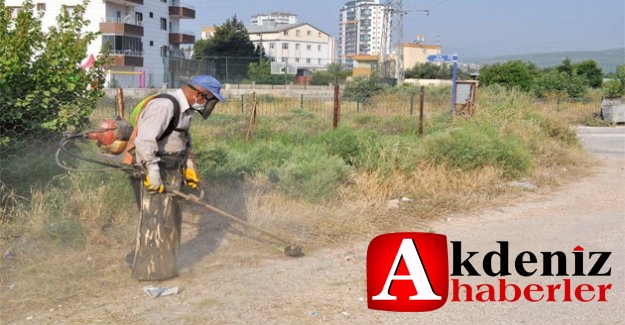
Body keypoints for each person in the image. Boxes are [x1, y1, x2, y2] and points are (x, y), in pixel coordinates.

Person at [127, 75, 225, 281]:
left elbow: (182, 141)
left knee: (170, 221)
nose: (208, 104)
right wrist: (153, 174)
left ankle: (165, 267)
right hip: (153, 171)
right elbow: (145, 141)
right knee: (156, 221)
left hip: (172, 170)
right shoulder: (165, 105)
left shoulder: (185, 111)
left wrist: (190, 171)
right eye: (209, 99)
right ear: (199, 94)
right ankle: (149, 271)